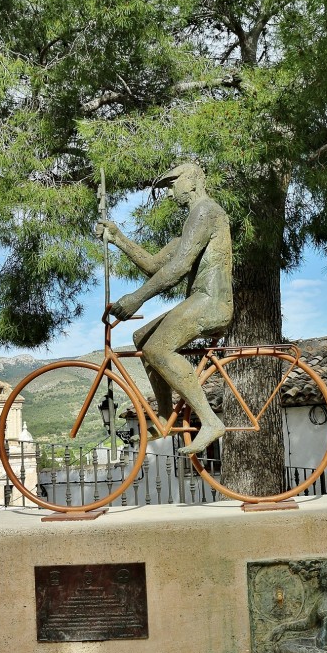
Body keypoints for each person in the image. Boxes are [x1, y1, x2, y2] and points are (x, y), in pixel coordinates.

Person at [96, 162, 233, 455]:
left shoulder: (205, 212)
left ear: (192, 180)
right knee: (142, 339)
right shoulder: (192, 224)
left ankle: (210, 421)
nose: (170, 194)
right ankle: (163, 417)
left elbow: (180, 267)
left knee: (158, 349)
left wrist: (136, 298)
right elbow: (155, 265)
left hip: (211, 302)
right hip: (200, 300)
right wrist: (118, 238)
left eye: (173, 185)